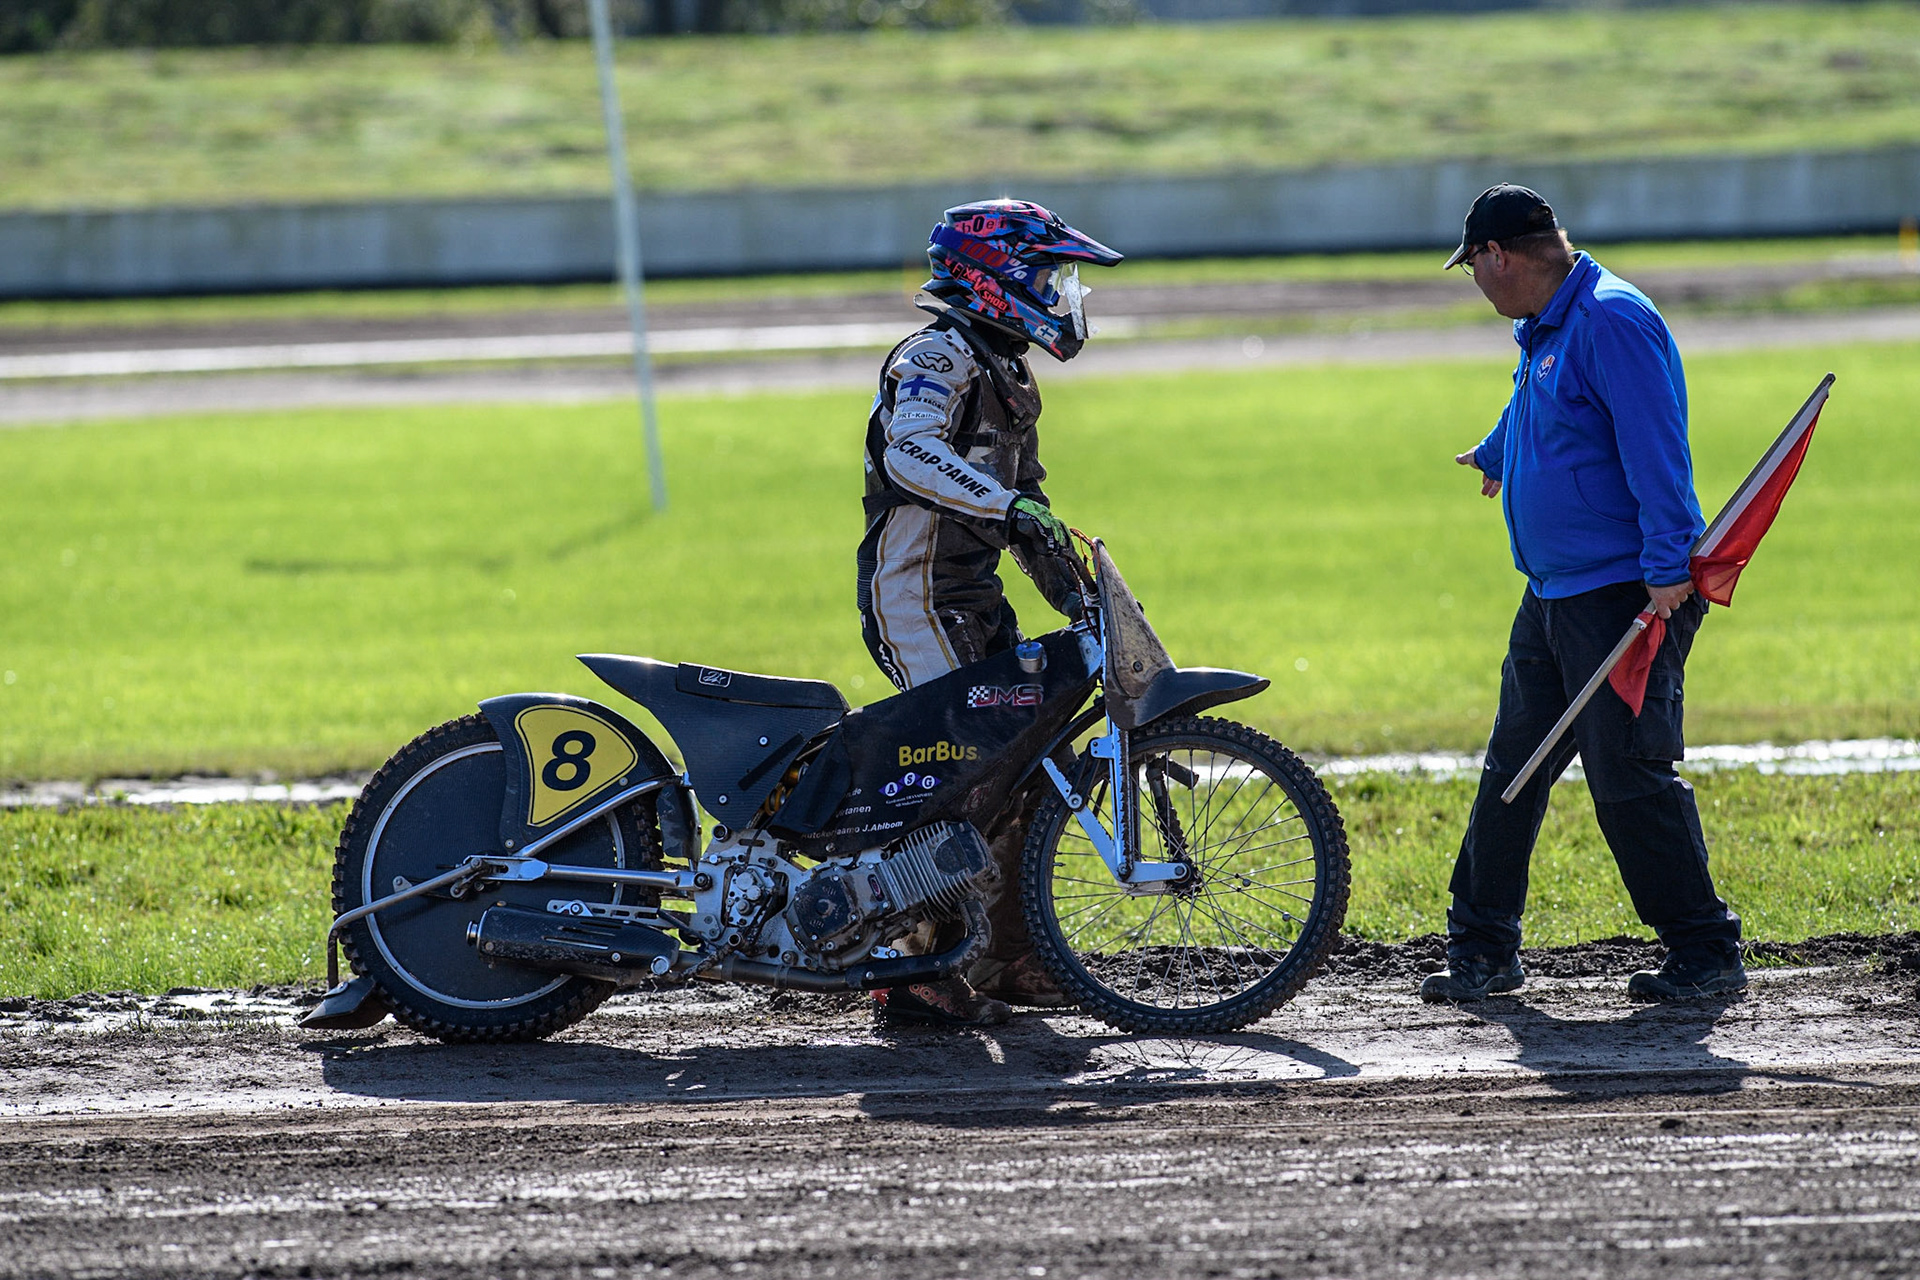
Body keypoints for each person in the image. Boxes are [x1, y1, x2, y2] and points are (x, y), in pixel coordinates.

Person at [1423, 183, 1746, 1004]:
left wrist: (1672, 568)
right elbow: (1545, 400)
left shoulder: (1612, 319)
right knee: (1515, 767)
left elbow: (1656, 450)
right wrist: (1500, 449)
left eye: (1473, 268)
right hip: (1556, 595)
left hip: (1625, 597)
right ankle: (1483, 949)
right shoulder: (1551, 326)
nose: (1475, 282)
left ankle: (1705, 953)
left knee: (1628, 776)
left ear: (1499, 255)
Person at [858, 198, 1123, 1026]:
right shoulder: (936, 354)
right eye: (1046, 276)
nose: (1060, 292)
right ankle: (904, 966)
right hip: (916, 595)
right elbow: (912, 450)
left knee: (1032, 759)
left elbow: (1027, 501)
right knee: (959, 769)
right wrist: (1006, 509)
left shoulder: (1007, 372)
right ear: (995, 277)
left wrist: (1081, 595)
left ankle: (1007, 958)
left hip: (973, 597)